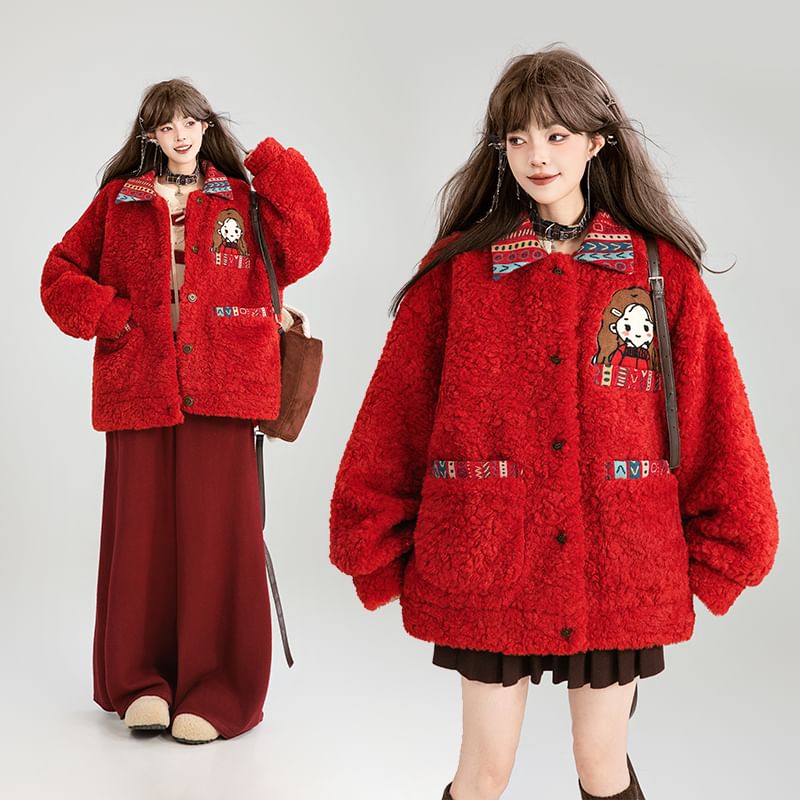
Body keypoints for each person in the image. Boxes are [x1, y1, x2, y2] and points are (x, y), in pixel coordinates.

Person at [329, 47, 778, 799]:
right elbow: (395, 413)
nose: (537, 156)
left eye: (557, 135)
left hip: (615, 561)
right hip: (488, 557)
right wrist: (373, 538)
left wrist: (726, 547)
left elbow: (714, 414)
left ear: (597, 141)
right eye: (518, 138)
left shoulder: (656, 270)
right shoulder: (460, 270)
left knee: (602, 765)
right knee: (483, 771)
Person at [41, 79, 330, 744]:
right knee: (140, 536)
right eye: (167, 125)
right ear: (150, 134)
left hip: (224, 385)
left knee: (219, 538)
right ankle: (141, 682)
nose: (180, 135)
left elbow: (309, 241)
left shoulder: (241, 199)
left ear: (205, 126)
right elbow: (59, 275)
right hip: (138, 385)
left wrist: (268, 160)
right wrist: (114, 319)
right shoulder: (118, 201)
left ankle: (217, 687)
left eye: (191, 122)